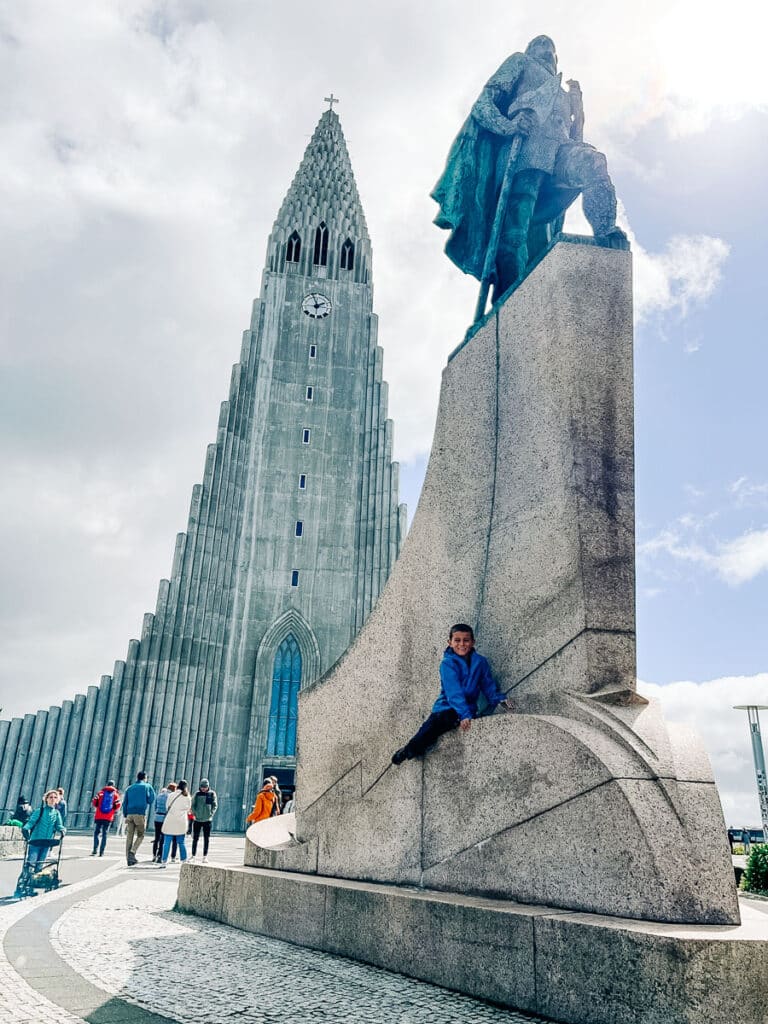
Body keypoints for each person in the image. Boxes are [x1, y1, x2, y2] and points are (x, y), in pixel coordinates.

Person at [432, 35, 627, 300]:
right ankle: (512, 301)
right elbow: (483, 104)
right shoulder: (520, 63)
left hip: (559, 151)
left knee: (593, 162)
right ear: (529, 50)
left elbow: (575, 139)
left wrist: (578, 112)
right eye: (540, 46)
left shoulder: (563, 91)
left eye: (552, 49)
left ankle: (605, 230)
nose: (546, 51)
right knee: (513, 238)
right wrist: (508, 126)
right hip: (525, 156)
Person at [391, 624, 510, 764]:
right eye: (457, 640)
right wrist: (464, 714)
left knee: (445, 725)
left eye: (466, 640)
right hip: (445, 708)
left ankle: (455, 720)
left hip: (467, 710)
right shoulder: (447, 664)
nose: (462, 644)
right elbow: (454, 692)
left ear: (473, 642)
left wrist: (499, 699)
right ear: (450, 642)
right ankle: (406, 751)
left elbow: (487, 684)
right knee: (429, 731)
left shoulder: (480, 662)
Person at [23, 790, 66, 871]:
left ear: (57, 800)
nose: (53, 799)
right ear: (46, 799)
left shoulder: (56, 813)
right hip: (36, 840)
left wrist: (63, 830)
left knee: (41, 864)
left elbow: (59, 825)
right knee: (32, 862)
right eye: (50, 797)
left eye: (55, 797)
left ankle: (36, 880)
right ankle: (27, 878)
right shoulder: (40, 811)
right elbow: (31, 822)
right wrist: (25, 829)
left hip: (47, 842)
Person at [122, 770, 156, 866]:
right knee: (141, 835)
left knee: (129, 836)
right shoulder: (147, 786)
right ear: (145, 777)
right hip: (140, 814)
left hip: (129, 814)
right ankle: (132, 852)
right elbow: (151, 799)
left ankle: (128, 859)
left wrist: (125, 814)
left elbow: (125, 803)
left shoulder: (129, 788)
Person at [159, 779, 191, 867]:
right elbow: (188, 810)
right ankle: (184, 860)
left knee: (167, 842)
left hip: (170, 821)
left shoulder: (171, 795)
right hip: (181, 822)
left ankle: (164, 861)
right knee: (181, 842)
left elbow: (167, 807)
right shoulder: (187, 797)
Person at [190, 778, 218, 864]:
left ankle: (205, 856)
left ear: (208, 786)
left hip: (207, 820)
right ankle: (193, 856)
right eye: (202, 786)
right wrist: (195, 814)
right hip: (197, 819)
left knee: (207, 839)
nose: (203, 788)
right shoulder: (197, 794)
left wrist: (211, 814)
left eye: (205, 787)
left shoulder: (212, 794)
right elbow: (192, 805)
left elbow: (215, 805)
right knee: (195, 838)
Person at [91, 780, 121, 857]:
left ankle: (95, 849)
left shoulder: (100, 793)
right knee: (105, 834)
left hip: (99, 816)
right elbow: (117, 805)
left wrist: (99, 807)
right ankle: (101, 852)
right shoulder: (116, 795)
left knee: (96, 833)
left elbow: (94, 802)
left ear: (107, 784)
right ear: (114, 785)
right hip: (108, 817)